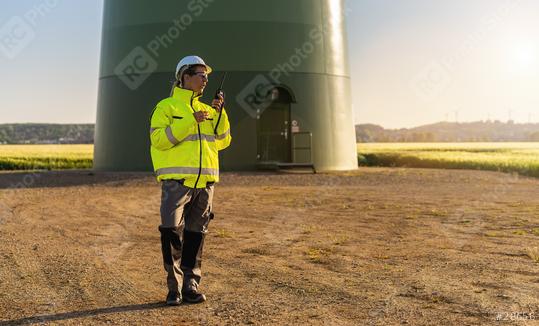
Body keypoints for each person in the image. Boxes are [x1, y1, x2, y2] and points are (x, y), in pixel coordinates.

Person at [149, 55, 232, 305]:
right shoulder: (166, 107)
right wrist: (189, 122)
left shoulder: (208, 110)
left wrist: (220, 112)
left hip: (205, 183)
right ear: (185, 76)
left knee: (196, 235)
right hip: (176, 182)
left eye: (207, 75)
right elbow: (159, 140)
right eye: (200, 74)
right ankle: (173, 289)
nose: (205, 79)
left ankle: (190, 285)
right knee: (171, 233)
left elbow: (224, 140)